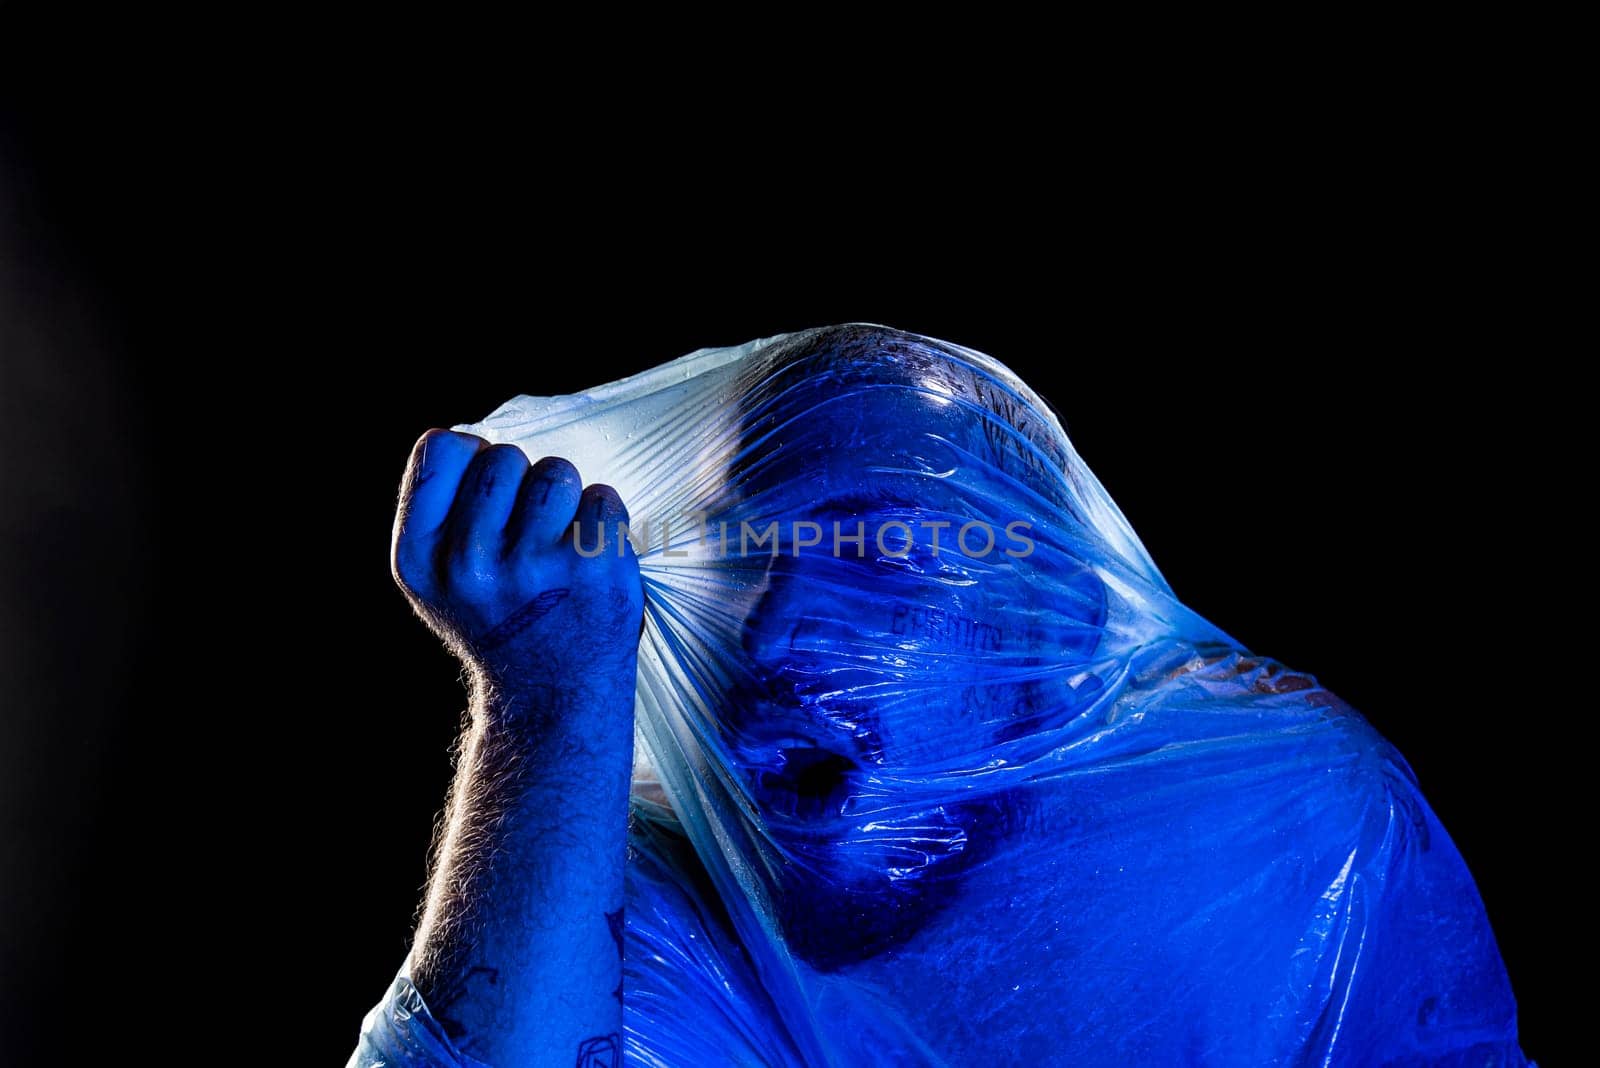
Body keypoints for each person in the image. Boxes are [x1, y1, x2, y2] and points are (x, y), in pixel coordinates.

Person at [349, 325, 1529, 1066]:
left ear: (1053, 623)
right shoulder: (650, 888)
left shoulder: (1289, 845)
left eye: (872, 554)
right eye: (731, 563)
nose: (772, 632)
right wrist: (549, 699)